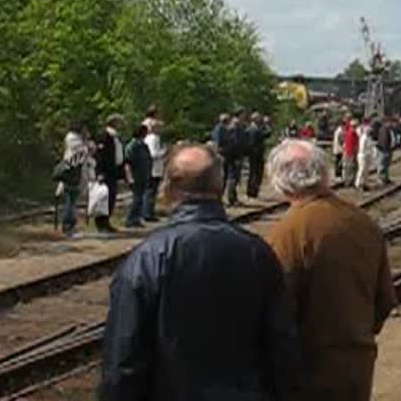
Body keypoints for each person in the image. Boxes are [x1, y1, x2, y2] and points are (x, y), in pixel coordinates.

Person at [99, 144, 298, 400]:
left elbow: (123, 360)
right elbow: (282, 348)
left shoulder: (147, 259)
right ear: (220, 186)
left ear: (168, 189)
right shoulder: (258, 254)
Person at [267, 139, 396, 401]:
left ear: (281, 181)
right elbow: (384, 300)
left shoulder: (288, 232)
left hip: (307, 371)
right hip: (356, 364)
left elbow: (275, 309)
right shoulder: (363, 222)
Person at [56, 123, 89, 236]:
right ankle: (68, 226)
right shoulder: (75, 140)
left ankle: (70, 225)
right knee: (70, 201)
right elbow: (84, 152)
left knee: (72, 200)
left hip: (73, 171)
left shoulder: (73, 140)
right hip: (72, 172)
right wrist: (86, 142)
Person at [95, 114, 126, 227]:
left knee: (111, 197)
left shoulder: (116, 137)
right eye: (119, 122)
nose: (121, 125)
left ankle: (107, 221)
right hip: (106, 171)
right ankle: (101, 223)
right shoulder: (105, 136)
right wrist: (99, 172)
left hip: (114, 170)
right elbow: (100, 156)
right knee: (103, 198)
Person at [123, 124, 151, 228]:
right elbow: (127, 162)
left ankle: (136, 219)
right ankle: (130, 219)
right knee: (136, 198)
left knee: (140, 198)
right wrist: (129, 176)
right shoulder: (132, 145)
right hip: (135, 175)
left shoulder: (143, 145)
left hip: (143, 175)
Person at [142, 106, 167, 221]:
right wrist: (163, 152)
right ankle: (147, 213)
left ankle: (149, 212)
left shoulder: (152, 138)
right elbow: (153, 153)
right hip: (153, 168)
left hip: (154, 168)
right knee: (150, 191)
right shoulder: (153, 138)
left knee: (152, 191)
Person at [246, 112, 269, 198]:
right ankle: (252, 191)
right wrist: (266, 124)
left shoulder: (253, 128)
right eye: (259, 118)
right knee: (255, 173)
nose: (261, 120)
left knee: (255, 173)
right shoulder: (254, 129)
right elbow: (267, 134)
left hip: (255, 154)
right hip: (256, 154)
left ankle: (253, 191)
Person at [356, 118, 378, 191]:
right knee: (361, 169)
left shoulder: (368, 138)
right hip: (363, 155)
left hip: (367, 156)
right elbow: (362, 148)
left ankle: (365, 183)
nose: (370, 132)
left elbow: (371, 146)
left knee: (366, 171)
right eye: (369, 131)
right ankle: (358, 183)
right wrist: (368, 152)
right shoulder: (364, 138)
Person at [377, 117, 394, 186]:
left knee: (386, 165)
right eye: (389, 122)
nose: (390, 123)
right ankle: (381, 179)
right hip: (384, 150)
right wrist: (385, 150)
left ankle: (385, 178)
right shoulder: (384, 130)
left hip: (388, 149)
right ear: (385, 122)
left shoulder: (387, 129)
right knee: (382, 165)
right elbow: (384, 141)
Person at [343, 117, 360, 187]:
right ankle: (350, 181)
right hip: (351, 152)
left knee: (349, 167)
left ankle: (348, 181)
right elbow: (354, 143)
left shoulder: (348, 132)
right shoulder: (353, 133)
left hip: (348, 152)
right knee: (351, 167)